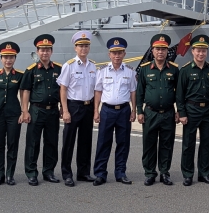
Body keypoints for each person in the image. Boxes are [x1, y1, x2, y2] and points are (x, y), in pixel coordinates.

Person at [92, 37, 137, 186]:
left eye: (120, 53)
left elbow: (133, 92)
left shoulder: (130, 72)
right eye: (114, 53)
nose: (117, 56)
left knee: (123, 143)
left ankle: (120, 173)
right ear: (109, 54)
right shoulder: (102, 71)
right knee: (103, 142)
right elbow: (98, 91)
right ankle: (100, 174)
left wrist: (133, 110)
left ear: (124, 54)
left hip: (124, 110)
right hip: (107, 110)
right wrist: (96, 111)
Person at [136, 34, 180, 186]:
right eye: (157, 49)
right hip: (150, 113)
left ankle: (164, 173)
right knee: (149, 144)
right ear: (152, 51)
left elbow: (178, 93)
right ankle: (149, 173)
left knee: (167, 144)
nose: (160, 52)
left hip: (168, 113)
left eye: (163, 49)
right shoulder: (145, 69)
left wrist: (179, 110)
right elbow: (140, 91)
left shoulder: (174, 70)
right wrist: (139, 111)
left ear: (167, 51)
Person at [176, 34, 209, 186]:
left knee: (207, 143)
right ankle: (188, 174)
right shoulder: (185, 70)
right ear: (192, 51)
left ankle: (204, 173)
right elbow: (180, 94)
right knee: (189, 143)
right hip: (191, 110)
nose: (201, 54)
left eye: (204, 51)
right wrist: (181, 113)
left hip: (208, 110)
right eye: (198, 50)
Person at [20, 34, 63, 186]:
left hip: (53, 111)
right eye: (42, 50)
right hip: (36, 110)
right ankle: (31, 173)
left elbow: (63, 90)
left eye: (47, 50)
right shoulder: (31, 70)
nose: (44, 53)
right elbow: (25, 91)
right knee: (33, 142)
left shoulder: (59, 69)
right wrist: (25, 111)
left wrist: (63, 108)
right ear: (37, 52)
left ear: (51, 51)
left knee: (51, 142)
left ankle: (49, 171)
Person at [58, 31, 97, 187]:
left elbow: (96, 90)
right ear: (75, 48)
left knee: (85, 141)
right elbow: (63, 89)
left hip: (88, 106)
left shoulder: (93, 66)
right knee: (68, 142)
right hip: (73, 106)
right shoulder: (69, 66)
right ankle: (67, 174)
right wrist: (65, 110)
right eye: (81, 46)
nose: (84, 49)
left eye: (86, 46)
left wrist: (95, 110)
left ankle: (83, 172)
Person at [0, 42, 24, 186]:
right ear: (1, 58)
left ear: (15, 59)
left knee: (12, 145)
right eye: (5, 57)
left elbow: (23, 94)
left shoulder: (20, 75)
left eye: (11, 57)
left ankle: (10, 175)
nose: (8, 60)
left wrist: (23, 111)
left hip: (14, 115)